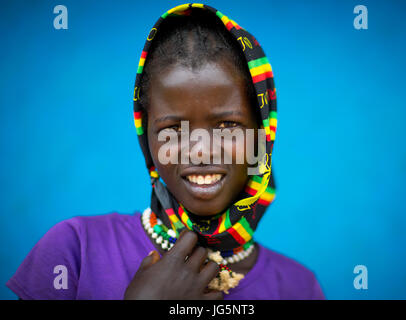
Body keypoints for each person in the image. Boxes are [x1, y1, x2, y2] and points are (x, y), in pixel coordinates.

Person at [6, 4, 324, 300]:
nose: (200, 151)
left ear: (262, 134)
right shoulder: (75, 250)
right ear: (148, 139)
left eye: (228, 125)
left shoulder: (298, 287)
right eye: (173, 130)